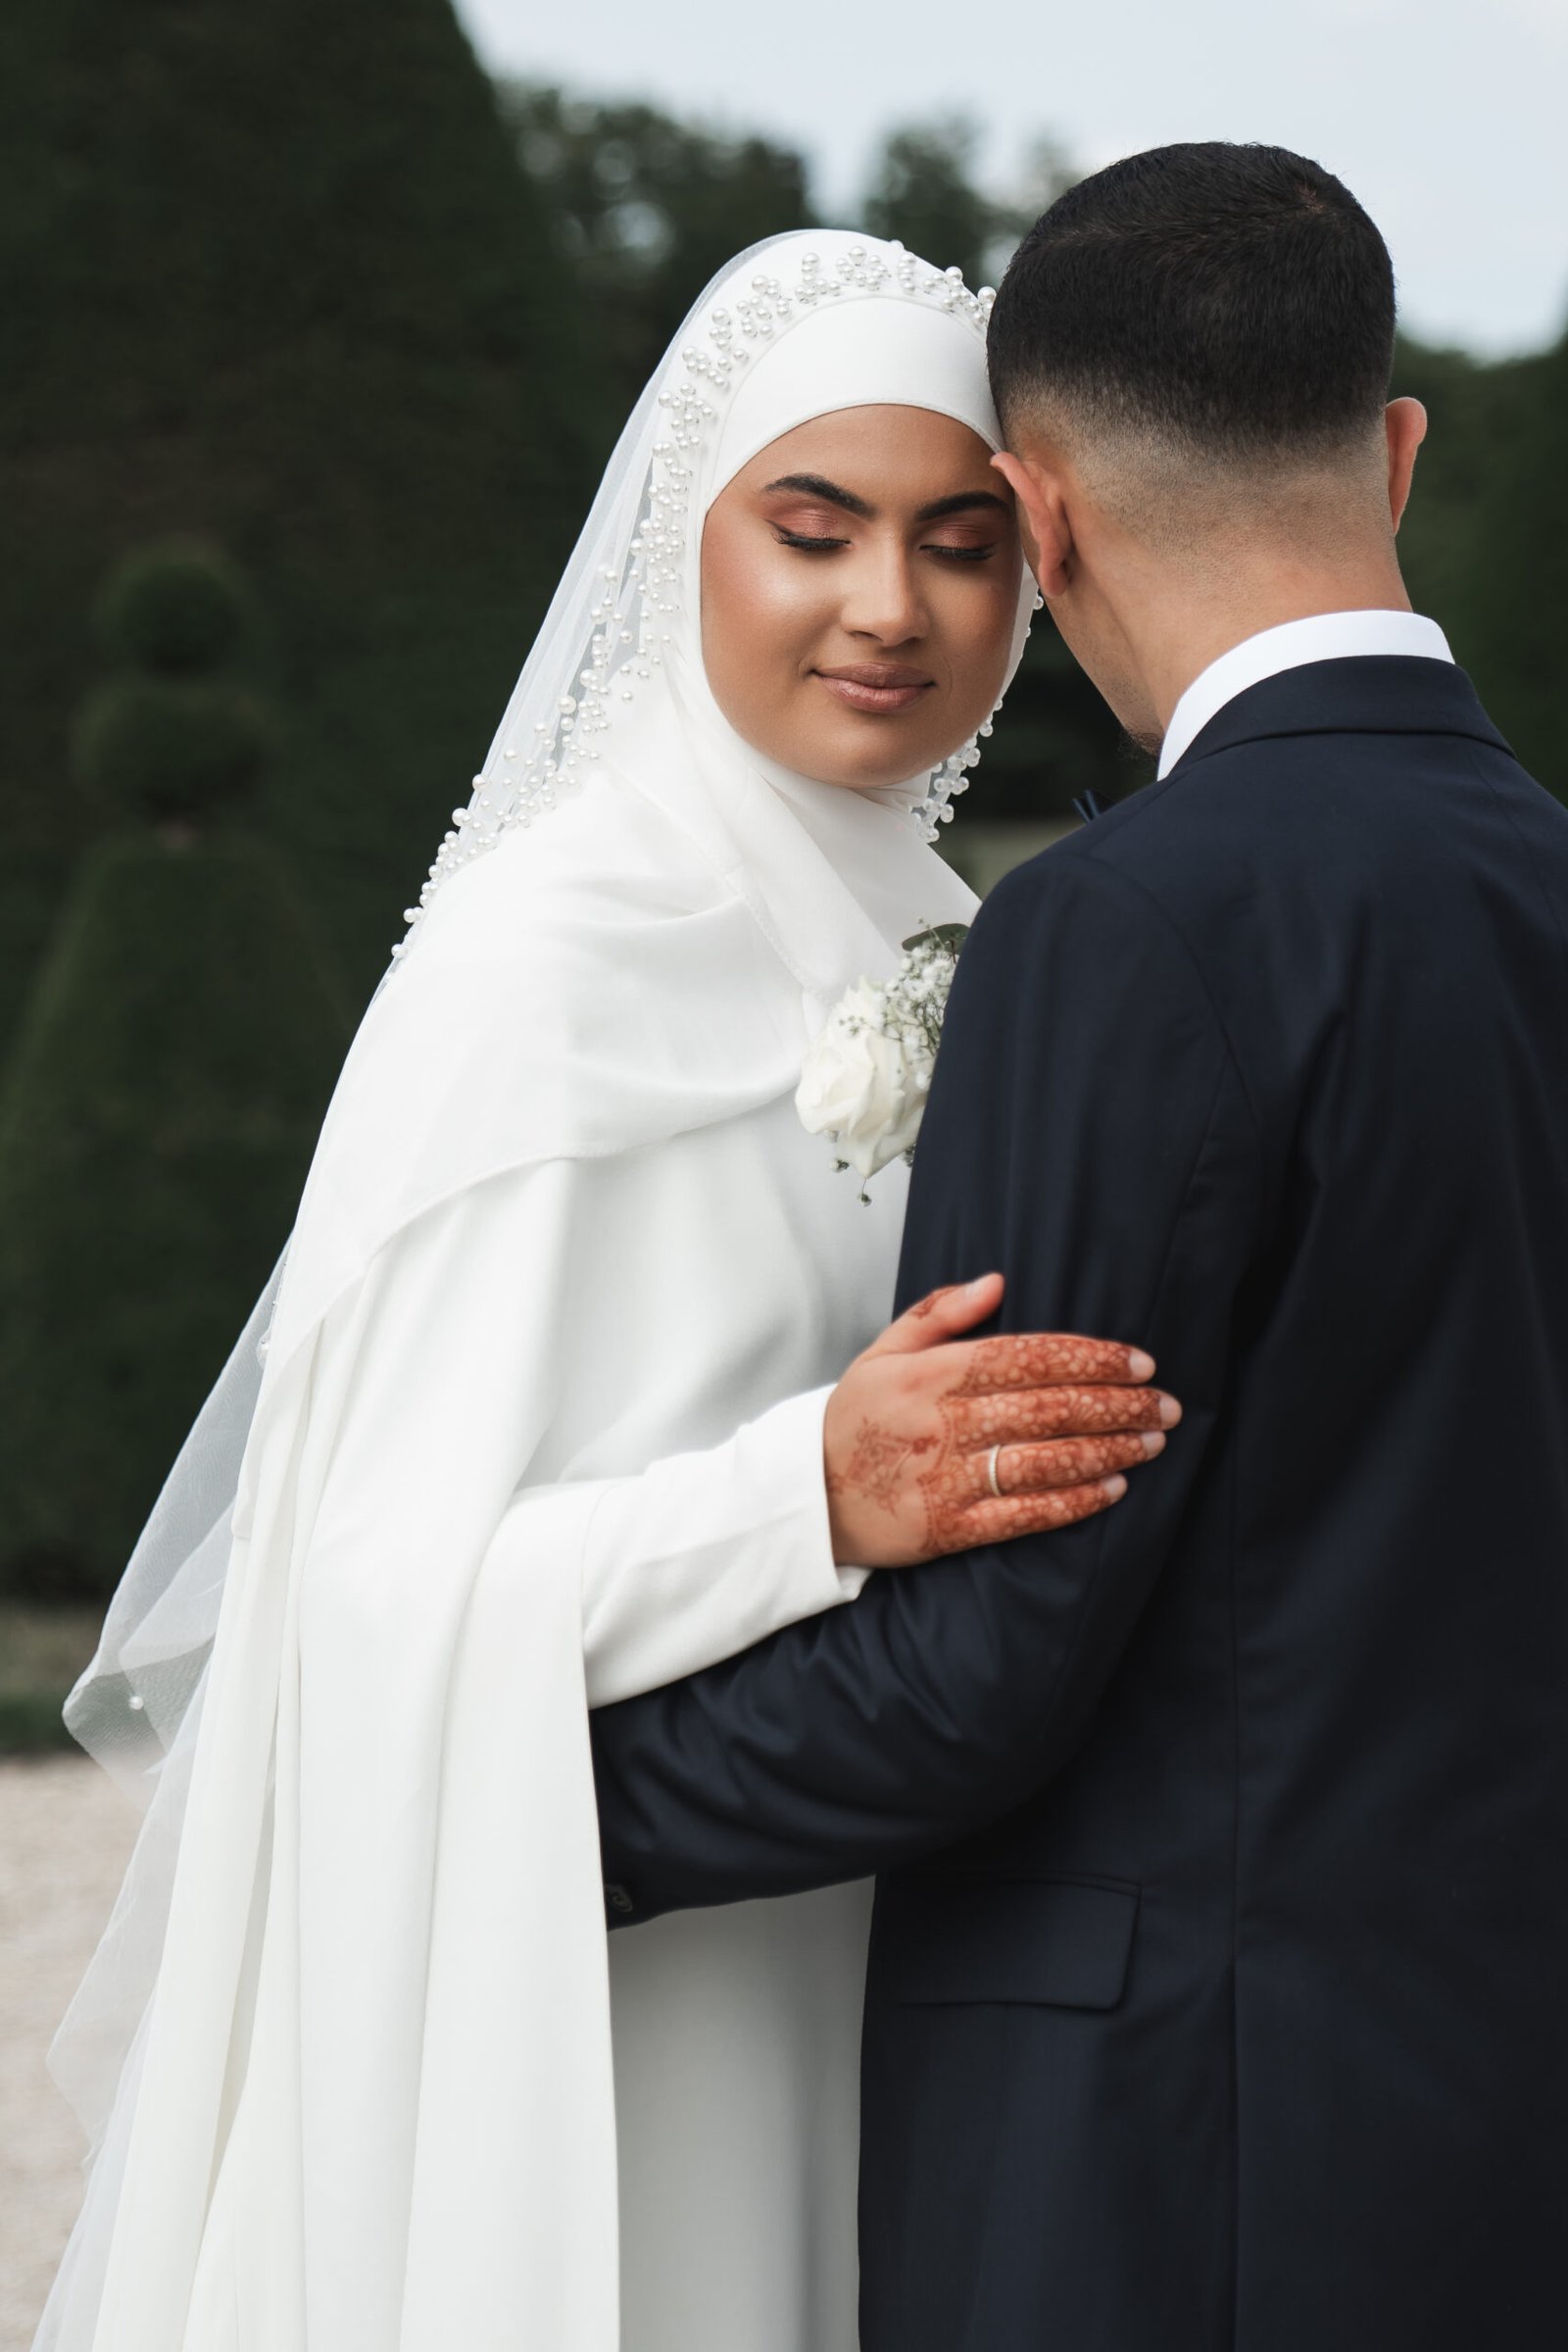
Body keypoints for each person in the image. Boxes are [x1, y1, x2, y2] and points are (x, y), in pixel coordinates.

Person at [33, 229, 1172, 2352]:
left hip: (886, 1930)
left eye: (960, 545)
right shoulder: (535, 965)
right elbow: (359, 1595)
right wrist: (804, 1495)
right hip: (591, 1964)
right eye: (811, 530)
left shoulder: (962, 942)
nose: (890, 607)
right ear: (681, 545)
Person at [589, 146, 1568, 2350]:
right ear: (1398, 452)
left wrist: (510, 1797)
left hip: (1170, 2163)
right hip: (1505, 2131)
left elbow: (972, 1682)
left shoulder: (1121, 929)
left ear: (1038, 521)